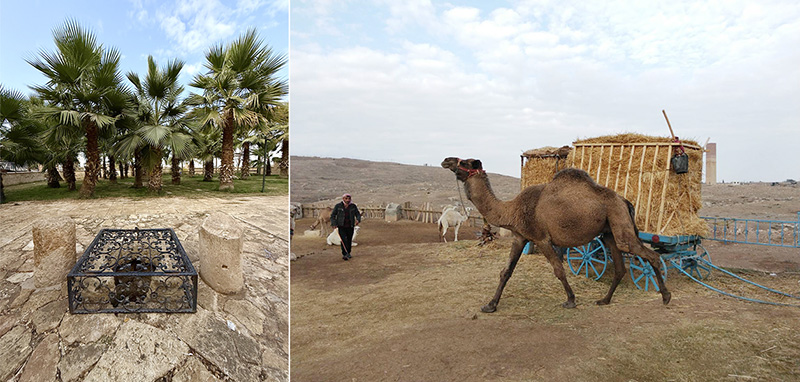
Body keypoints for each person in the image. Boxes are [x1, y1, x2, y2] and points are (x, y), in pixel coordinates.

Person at [330, 193, 361, 260]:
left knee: (349, 240)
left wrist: (358, 220)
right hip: (341, 226)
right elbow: (333, 215)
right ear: (343, 199)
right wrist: (334, 223)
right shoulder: (338, 206)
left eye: (349, 198)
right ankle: (345, 254)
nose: (348, 200)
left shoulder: (353, 206)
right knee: (343, 240)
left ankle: (348, 252)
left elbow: (357, 214)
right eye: (346, 198)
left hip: (350, 226)